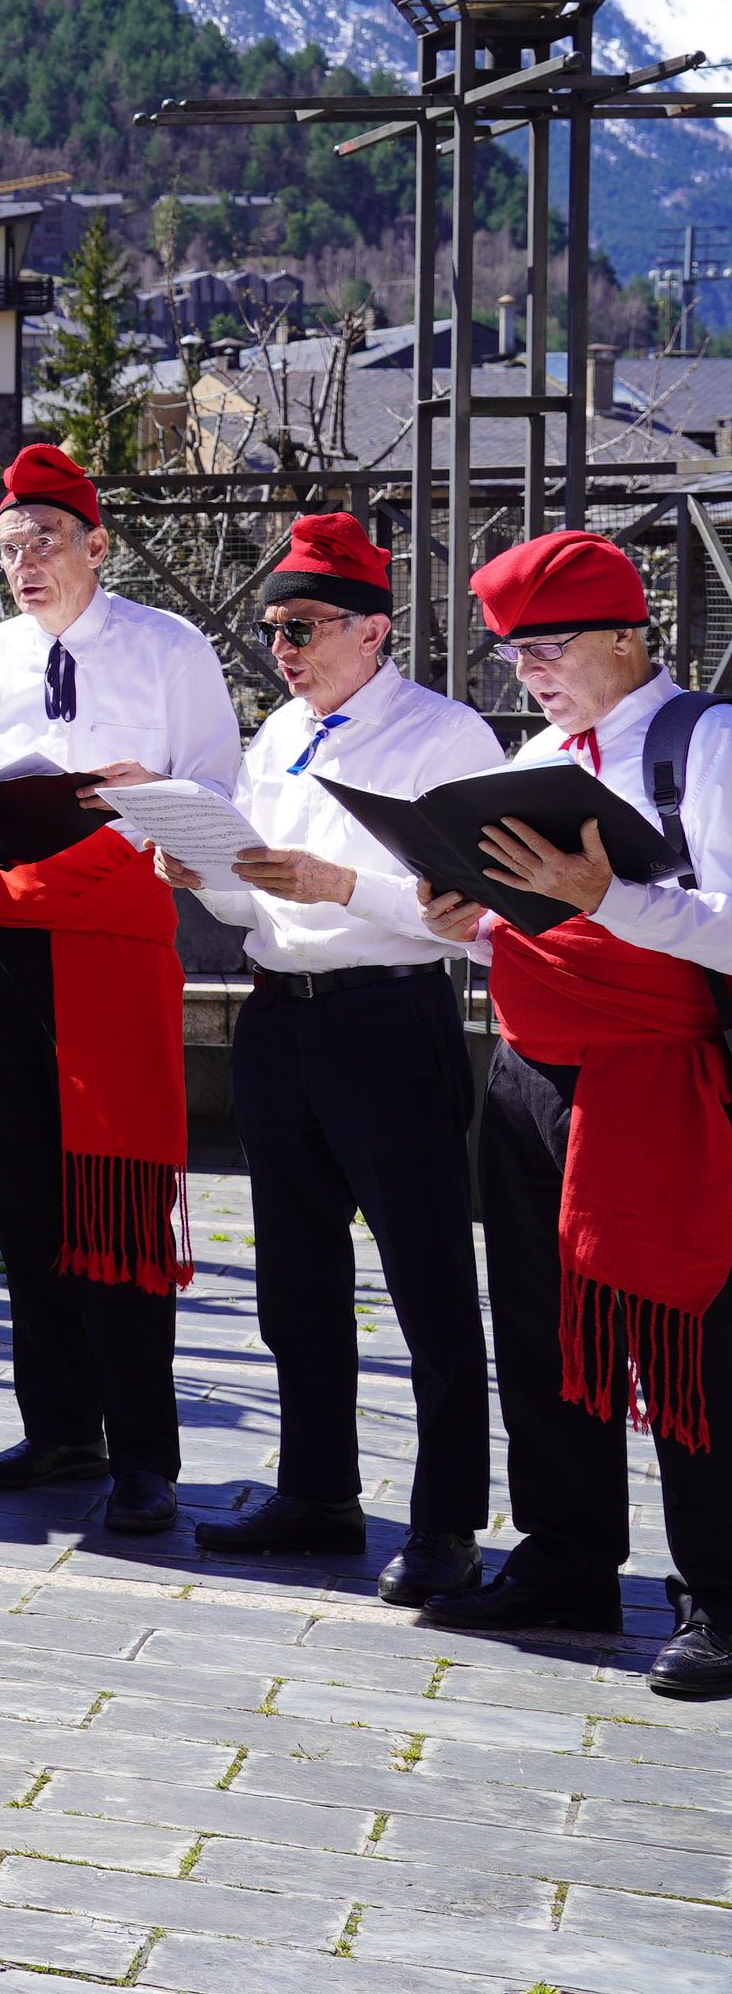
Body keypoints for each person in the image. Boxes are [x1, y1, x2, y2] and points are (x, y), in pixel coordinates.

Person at [406, 530, 731, 1699]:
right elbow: (538, 916)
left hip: (659, 1074)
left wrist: (609, 895)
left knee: (689, 1339)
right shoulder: (540, 754)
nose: (527, 671)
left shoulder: (708, 742)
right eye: (513, 652)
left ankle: (721, 1594)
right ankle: (567, 1556)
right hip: (531, 1067)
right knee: (543, 1329)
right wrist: (474, 923)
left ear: (628, 635)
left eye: (548, 646)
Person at [149, 516, 492, 1604]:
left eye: (302, 627)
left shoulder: (446, 738)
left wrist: (347, 888)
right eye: (270, 631)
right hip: (281, 1014)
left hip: (390, 1017)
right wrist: (195, 867)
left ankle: (446, 1522)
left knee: (428, 1279)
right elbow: (255, 894)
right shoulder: (280, 733)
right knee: (296, 1278)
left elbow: (474, 919)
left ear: (374, 630)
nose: (283, 648)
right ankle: (319, 1490)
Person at [0, 443, 242, 1539]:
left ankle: (144, 1451)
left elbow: (217, 786)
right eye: (9, 546)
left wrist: (134, 794)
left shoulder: (168, 646)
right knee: (21, 1190)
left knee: (115, 1195)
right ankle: (59, 1419)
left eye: (45, 540)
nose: (25, 563)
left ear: (96, 543)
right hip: (6, 933)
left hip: (112, 936)